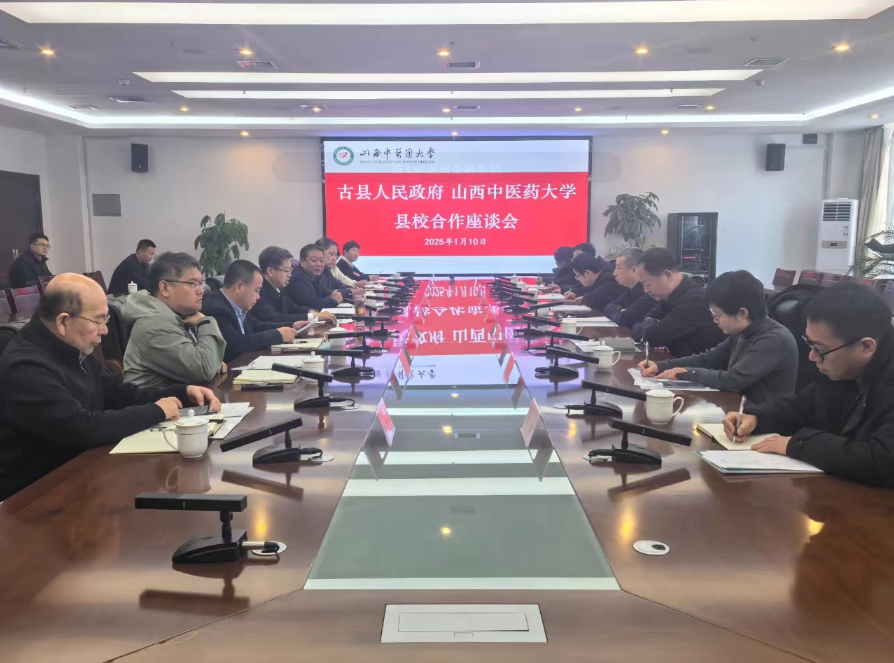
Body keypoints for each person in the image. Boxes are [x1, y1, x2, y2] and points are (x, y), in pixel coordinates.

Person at [0, 274, 219, 501]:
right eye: (99, 321)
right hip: (33, 499)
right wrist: (157, 410)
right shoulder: (24, 367)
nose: (105, 330)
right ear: (63, 322)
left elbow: (120, 394)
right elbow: (81, 428)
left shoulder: (70, 346)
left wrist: (182, 393)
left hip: (82, 476)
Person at [724, 283, 894, 487]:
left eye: (820, 348)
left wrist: (798, 444)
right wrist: (756, 417)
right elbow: (802, 406)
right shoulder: (844, 370)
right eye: (810, 344)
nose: (812, 356)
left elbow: (883, 459)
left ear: (866, 346)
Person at [639, 270, 798, 404]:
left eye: (717, 315)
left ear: (743, 313)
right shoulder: (741, 332)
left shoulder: (773, 339)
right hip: (737, 409)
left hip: (761, 420)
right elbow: (708, 359)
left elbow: (733, 380)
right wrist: (661, 366)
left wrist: (686, 372)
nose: (715, 321)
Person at [123, 252, 227, 388]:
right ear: (165, 288)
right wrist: (205, 322)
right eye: (193, 283)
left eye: (200, 283)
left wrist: (212, 358)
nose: (201, 290)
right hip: (159, 401)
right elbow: (204, 368)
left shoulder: (178, 316)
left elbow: (206, 362)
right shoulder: (153, 326)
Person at [202, 260, 311, 363]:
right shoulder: (216, 309)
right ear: (239, 287)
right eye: (257, 290)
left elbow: (255, 325)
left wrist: (292, 325)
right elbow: (234, 344)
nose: (258, 297)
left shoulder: (239, 304)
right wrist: (277, 335)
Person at [632, 248, 725, 357]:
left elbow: (652, 337)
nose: (646, 290)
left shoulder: (694, 302)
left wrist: (655, 332)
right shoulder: (670, 296)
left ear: (667, 275)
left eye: (647, 284)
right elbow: (637, 327)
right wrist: (653, 329)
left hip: (698, 365)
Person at [255, 246, 337, 326]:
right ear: (270, 271)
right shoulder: (258, 292)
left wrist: (312, 312)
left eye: (290, 270)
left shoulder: (277, 286)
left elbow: (293, 307)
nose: (290, 275)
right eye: (286, 270)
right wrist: (313, 316)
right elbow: (276, 318)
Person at [602, 248, 654, 328]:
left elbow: (624, 319)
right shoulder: (629, 288)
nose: (614, 273)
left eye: (618, 268)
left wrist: (620, 312)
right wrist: (621, 311)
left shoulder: (649, 292)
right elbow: (608, 308)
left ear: (633, 270)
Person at [286, 244, 344, 311]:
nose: (319, 264)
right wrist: (333, 301)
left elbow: (324, 291)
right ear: (302, 261)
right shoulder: (297, 278)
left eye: (321, 260)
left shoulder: (315, 275)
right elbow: (309, 303)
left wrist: (335, 293)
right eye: (314, 260)